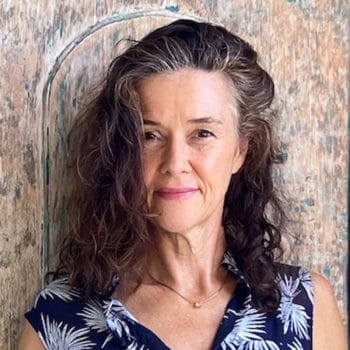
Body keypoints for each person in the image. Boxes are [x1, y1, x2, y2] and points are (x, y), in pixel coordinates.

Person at [19, 19, 346, 350]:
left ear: (240, 151)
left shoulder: (306, 306)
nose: (175, 162)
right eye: (150, 136)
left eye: (202, 133)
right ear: (124, 153)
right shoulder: (58, 321)